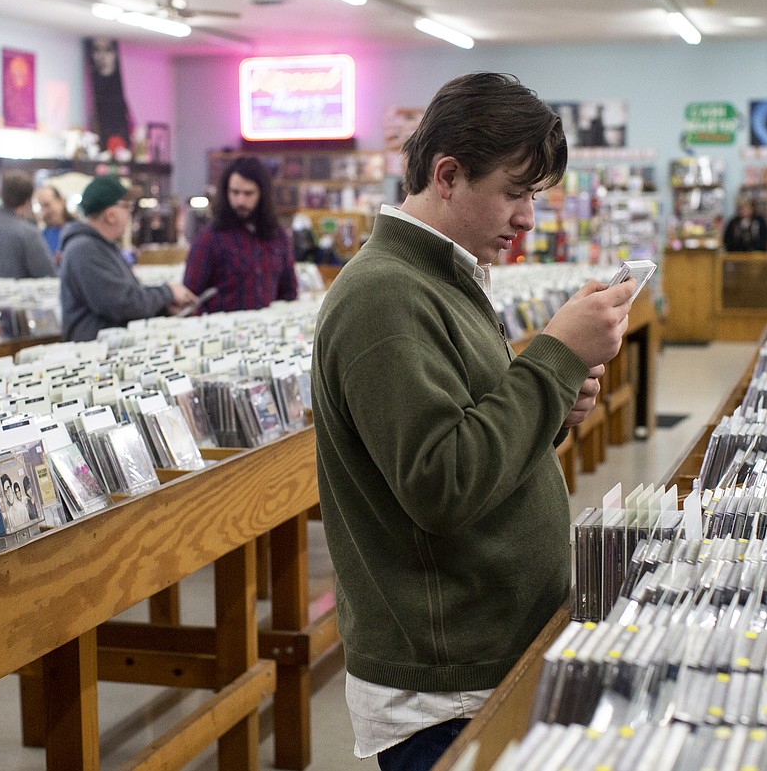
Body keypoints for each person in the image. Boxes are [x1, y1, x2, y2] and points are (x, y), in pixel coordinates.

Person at [311, 71, 634, 770]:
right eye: (514, 193)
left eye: (535, 197)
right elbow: (442, 482)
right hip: (445, 681)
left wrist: (552, 402)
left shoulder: (441, 277)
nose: (527, 219)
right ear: (448, 174)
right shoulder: (385, 296)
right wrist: (552, 358)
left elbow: (471, 425)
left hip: (487, 647)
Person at [59, 175, 195, 341]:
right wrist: (168, 292)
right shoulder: (84, 249)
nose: (129, 213)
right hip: (94, 352)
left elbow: (124, 299)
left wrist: (164, 308)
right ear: (110, 215)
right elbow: (122, 304)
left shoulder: (101, 246)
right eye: (126, 207)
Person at [182, 156, 298, 313]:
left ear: (262, 194)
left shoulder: (277, 237)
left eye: (248, 193)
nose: (240, 200)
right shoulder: (210, 238)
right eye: (235, 192)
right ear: (226, 192)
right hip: (220, 332)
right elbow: (189, 297)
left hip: (266, 331)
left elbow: (289, 292)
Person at [34, 184, 70, 259]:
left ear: (61, 201)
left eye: (47, 205)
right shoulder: (42, 236)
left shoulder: (77, 230)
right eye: (42, 207)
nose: (45, 211)